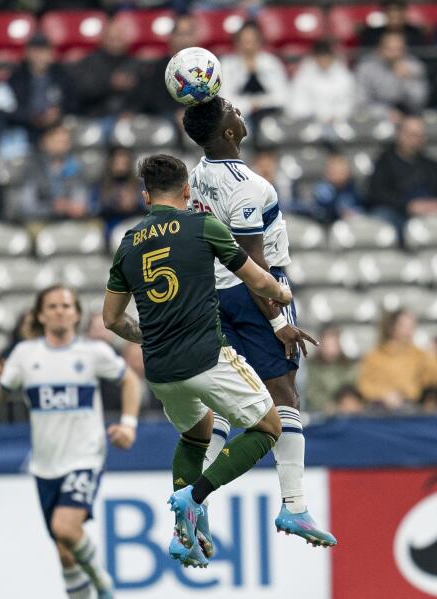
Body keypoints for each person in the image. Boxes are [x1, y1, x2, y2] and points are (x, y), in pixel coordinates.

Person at [103, 154, 308, 568]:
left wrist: (146, 334)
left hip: (160, 370)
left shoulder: (128, 242)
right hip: (206, 357)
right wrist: (284, 298)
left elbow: (110, 319)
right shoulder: (202, 226)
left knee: (197, 436)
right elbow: (257, 278)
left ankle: (184, 534)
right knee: (269, 426)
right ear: (186, 191)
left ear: (145, 196)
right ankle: (193, 498)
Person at [182, 96, 336, 548]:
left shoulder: (196, 177)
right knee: (284, 394)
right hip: (254, 295)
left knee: (222, 409)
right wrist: (277, 322)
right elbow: (253, 263)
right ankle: (294, 507)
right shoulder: (247, 186)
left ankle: (193, 508)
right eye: (232, 110)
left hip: (210, 296)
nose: (239, 111)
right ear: (229, 132)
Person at [0, 285, 142, 598]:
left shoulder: (93, 352)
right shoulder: (25, 355)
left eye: (66, 305)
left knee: (65, 528)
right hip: (45, 465)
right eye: (53, 306)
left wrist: (128, 424)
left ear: (76, 314)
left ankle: (104, 585)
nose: (60, 310)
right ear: (41, 315)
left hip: (85, 457)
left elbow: (129, 380)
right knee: (65, 552)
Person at [365, 114, 437, 243]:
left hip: (429, 214)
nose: (416, 139)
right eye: (412, 134)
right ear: (400, 134)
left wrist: (431, 205)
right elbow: (376, 194)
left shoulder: (430, 164)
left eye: (420, 135)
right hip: (397, 213)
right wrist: (408, 206)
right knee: (382, 217)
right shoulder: (384, 162)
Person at [358, 309, 437, 409]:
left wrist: (432, 357)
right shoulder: (374, 356)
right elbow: (364, 385)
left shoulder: (419, 355)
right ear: (393, 327)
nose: (411, 329)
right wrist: (384, 395)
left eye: (412, 325)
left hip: (411, 406)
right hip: (379, 407)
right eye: (406, 326)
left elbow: (430, 380)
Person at [13, 123, 89, 221]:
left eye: (65, 142)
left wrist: (69, 207)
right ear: (45, 142)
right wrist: (52, 207)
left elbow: (80, 202)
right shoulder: (33, 168)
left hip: (71, 222)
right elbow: (26, 206)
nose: (62, 145)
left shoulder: (76, 168)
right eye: (57, 141)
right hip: (41, 222)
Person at [220, 21, 288, 130]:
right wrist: (249, 105)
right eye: (245, 42)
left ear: (259, 42)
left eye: (252, 41)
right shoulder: (227, 65)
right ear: (237, 43)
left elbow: (282, 97)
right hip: (237, 116)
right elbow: (224, 99)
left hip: (269, 115)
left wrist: (259, 104)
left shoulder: (271, 63)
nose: (249, 46)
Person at [8, 33, 76, 142]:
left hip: (57, 127)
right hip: (27, 128)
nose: (39, 56)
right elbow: (10, 108)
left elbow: (73, 103)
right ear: (27, 53)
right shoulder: (16, 78)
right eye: (35, 51)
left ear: (51, 54)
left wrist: (59, 112)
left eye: (43, 51)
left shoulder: (62, 76)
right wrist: (33, 116)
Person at [355, 31, 428, 115]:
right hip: (375, 115)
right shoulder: (366, 68)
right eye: (390, 49)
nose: (394, 54)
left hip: (407, 114)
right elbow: (361, 101)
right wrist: (385, 112)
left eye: (398, 49)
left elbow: (419, 102)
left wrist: (407, 80)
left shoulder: (415, 67)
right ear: (379, 49)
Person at [286, 40, 356, 123]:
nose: (323, 62)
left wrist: (337, 116)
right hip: (310, 120)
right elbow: (298, 101)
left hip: (339, 121)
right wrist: (314, 116)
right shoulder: (304, 74)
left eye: (326, 58)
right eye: (320, 59)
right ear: (315, 58)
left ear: (332, 58)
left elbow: (348, 102)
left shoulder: (344, 76)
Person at [306, 327, 358, 412]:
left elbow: (353, 386)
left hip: (348, 411)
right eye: (327, 345)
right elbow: (312, 393)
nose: (330, 350)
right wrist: (327, 405)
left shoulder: (348, 366)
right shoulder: (313, 368)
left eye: (333, 345)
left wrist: (350, 401)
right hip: (323, 413)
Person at [311, 153, 363, 224]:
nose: (339, 174)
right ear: (327, 173)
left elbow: (359, 207)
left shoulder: (351, 189)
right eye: (335, 171)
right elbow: (324, 209)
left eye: (342, 170)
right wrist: (340, 213)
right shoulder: (322, 189)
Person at [358, 0, 427, 49]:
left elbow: (423, 56)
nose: (395, 15)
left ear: (404, 13)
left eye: (399, 11)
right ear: (385, 13)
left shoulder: (415, 33)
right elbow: (365, 55)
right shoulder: (372, 34)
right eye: (390, 11)